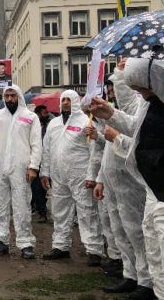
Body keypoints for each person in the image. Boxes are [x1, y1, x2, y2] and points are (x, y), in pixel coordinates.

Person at [92, 57, 164, 299]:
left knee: (156, 242)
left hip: (157, 184)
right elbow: (136, 125)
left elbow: (137, 137)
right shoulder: (148, 103)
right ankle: (148, 284)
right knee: (148, 240)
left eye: (141, 89)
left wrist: (118, 138)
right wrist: (110, 112)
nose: (139, 95)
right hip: (152, 186)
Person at [0, 84, 40, 259]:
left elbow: (36, 144)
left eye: (12, 95)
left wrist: (33, 166)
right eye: (7, 96)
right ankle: (1, 240)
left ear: (18, 96)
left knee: (22, 205)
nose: (9, 99)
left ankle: (25, 243)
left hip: (21, 167)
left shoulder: (30, 117)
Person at [39, 90, 104, 266]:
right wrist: (44, 172)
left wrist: (92, 175)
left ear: (75, 102)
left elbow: (94, 151)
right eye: (63, 100)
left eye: (69, 100)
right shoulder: (53, 124)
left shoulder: (86, 122)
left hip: (80, 176)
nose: (65, 103)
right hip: (58, 175)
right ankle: (61, 246)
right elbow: (46, 149)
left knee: (87, 212)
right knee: (59, 211)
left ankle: (94, 250)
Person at [31, 105, 51, 223]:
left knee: (47, 186)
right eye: (45, 113)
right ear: (38, 114)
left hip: (48, 162)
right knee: (37, 189)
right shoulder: (33, 128)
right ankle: (42, 212)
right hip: (36, 163)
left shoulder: (49, 127)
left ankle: (45, 208)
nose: (47, 115)